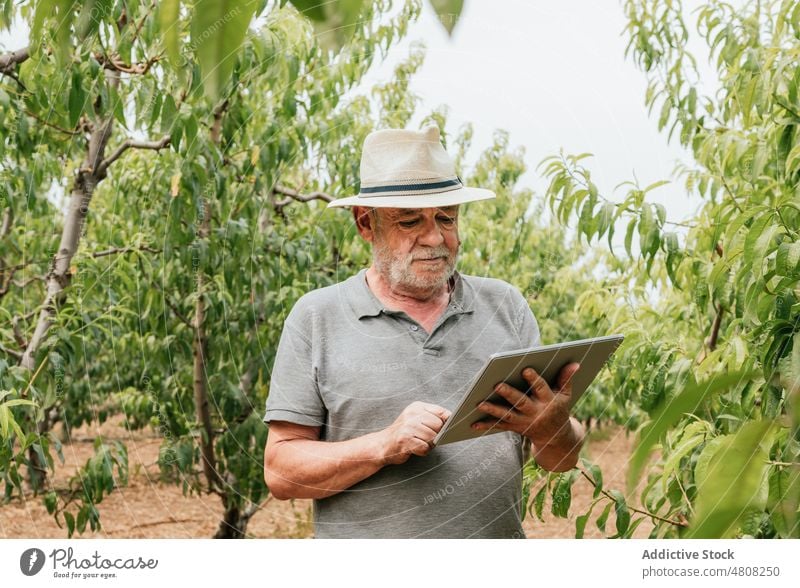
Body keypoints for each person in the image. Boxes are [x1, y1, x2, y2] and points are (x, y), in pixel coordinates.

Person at [262, 125, 585, 538]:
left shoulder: (506, 306)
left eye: (446, 218)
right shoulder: (316, 317)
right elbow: (281, 472)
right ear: (366, 223)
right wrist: (382, 445)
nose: (435, 237)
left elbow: (560, 460)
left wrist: (552, 426)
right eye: (410, 221)